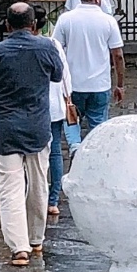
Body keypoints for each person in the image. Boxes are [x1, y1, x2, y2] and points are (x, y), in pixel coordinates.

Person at [0, 2, 67, 268]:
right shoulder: (47, 47)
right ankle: (36, 239)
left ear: (7, 25)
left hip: (7, 128)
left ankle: (19, 248)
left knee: (10, 189)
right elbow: (57, 76)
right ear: (34, 24)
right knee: (39, 184)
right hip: (38, 127)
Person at [54, 0, 125, 130]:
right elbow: (118, 55)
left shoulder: (65, 19)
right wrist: (120, 84)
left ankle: (74, 146)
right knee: (98, 123)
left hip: (73, 83)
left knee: (72, 120)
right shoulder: (109, 21)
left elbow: (56, 50)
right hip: (100, 84)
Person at [47, 72, 76, 221]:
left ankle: (36, 197)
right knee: (55, 151)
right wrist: (67, 98)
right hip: (56, 106)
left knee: (35, 154)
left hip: (34, 107)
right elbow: (66, 78)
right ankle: (53, 201)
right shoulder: (56, 48)